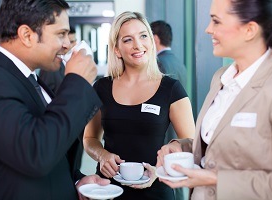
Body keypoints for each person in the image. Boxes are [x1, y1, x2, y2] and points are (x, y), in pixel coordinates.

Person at [156, 0, 272, 200]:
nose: (208, 30)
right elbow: (217, 149)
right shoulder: (221, 77)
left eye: (216, 22)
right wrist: (181, 147)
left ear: (249, 30)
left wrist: (215, 179)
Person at [0, 0, 110, 199]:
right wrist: (77, 82)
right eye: (60, 34)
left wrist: (76, 181)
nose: (67, 44)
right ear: (27, 35)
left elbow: (49, 142)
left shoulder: (28, 78)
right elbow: (35, 152)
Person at [83, 11, 195, 200]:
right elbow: (90, 138)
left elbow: (191, 144)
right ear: (116, 49)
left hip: (157, 190)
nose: (138, 45)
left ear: (151, 41)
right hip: (108, 190)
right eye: (127, 40)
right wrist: (102, 155)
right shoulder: (101, 87)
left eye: (143, 36)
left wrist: (160, 169)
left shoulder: (171, 88)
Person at [151, 19, 190, 200]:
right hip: (180, 127)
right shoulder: (178, 62)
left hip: (167, 132)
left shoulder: (159, 63)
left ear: (155, 38)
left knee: (168, 176)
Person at [39, 26, 77, 93]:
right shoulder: (50, 67)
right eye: (71, 42)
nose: (74, 45)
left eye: (75, 41)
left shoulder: (73, 64)